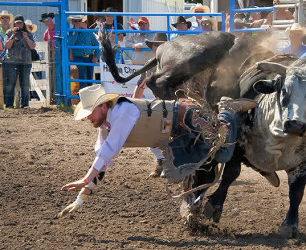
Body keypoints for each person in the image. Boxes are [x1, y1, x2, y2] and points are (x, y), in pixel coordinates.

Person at [57, 84, 256, 218]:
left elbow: (107, 152)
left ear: (102, 106)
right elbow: (102, 160)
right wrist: (81, 197)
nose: (87, 117)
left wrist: (84, 179)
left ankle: (226, 109)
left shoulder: (123, 111)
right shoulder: (106, 125)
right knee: (192, 168)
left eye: (89, 112)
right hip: (175, 134)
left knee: (223, 153)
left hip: (188, 116)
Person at [133, 32, 168, 177]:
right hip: (159, 106)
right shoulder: (150, 66)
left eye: (160, 45)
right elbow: (140, 86)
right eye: (155, 45)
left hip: (174, 106)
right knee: (153, 134)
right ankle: (162, 162)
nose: (157, 47)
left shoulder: (174, 64)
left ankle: (168, 163)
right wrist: (134, 104)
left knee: (168, 133)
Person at [2, 15, 36, 109]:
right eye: (17, 23)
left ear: (23, 24)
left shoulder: (28, 33)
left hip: (25, 62)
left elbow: (33, 46)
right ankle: (9, 105)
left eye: (20, 23)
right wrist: (13, 35)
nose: (19, 25)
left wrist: (26, 38)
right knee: (10, 84)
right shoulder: (9, 32)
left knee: (25, 84)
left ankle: (24, 105)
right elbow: (7, 46)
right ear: (14, 24)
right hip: (11, 61)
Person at [67, 14, 100, 89]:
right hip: (78, 58)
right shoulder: (71, 32)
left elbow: (97, 44)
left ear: (82, 21)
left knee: (89, 79)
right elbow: (70, 43)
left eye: (79, 21)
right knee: (82, 77)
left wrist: (96, 57)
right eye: (75, 21)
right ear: (73, 22)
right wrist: (76, 31)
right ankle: (83, 96)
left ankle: (88, 96)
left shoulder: (88, 32)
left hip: (89, 57)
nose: (78, 22)